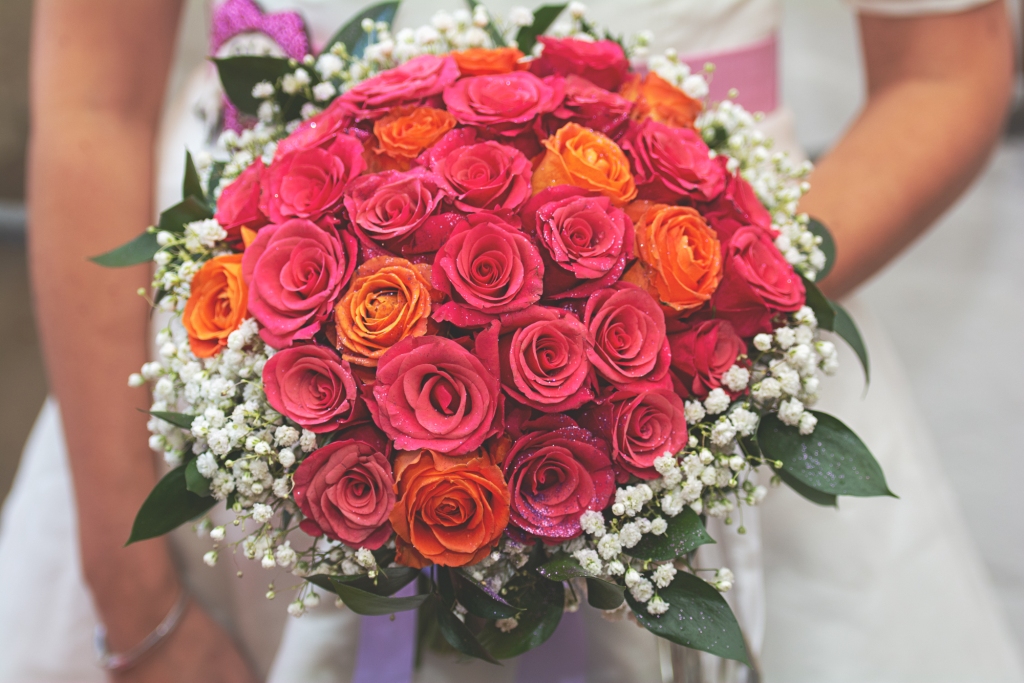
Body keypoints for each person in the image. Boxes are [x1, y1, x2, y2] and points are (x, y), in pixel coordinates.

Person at [0, 0, 1018, 681]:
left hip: (715, 362)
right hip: (258, 370)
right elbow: (95, 102)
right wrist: (136, 601)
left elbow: (944, 69)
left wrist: (705, 306)